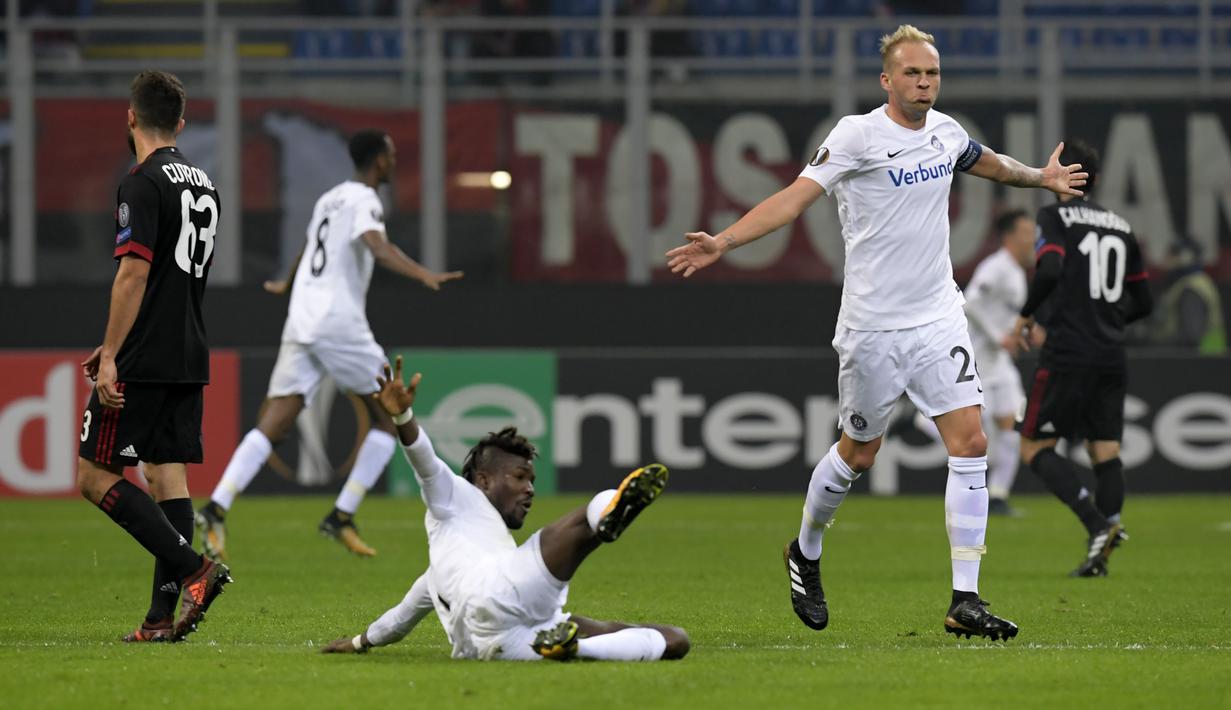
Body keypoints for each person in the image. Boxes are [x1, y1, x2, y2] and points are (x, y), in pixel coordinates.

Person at [666, 24, 1087, 641]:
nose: (924, 83)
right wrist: (724, 242)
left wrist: (1040, 179)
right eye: (913, 74)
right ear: (887, 80)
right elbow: (794, 198)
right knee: (859, 453)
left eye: (933, 74)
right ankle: (805, 550)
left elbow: (986, 162)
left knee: (970, 444)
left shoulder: (945, 132)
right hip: (872, 328)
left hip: (939, 315)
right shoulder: (856, 136)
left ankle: (965, 600)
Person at [194, 130, 462, 560]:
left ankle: (215, 508)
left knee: (277, 421)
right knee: (391, 416)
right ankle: (341, 515)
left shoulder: (329, 198)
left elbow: (307, 248)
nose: (394, 161)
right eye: (391, 154)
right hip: (338, 324)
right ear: (379, 161)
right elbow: (377, 245)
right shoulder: (366, 200)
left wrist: (286, 283)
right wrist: (422, 273)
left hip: (302, 318)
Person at [318, 357, 689, 661]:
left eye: (531, 480)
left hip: (503, 643)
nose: (529, 489)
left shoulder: (439, 573)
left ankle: (574, 647)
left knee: (674, 639)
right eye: (519, 477)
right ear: (483, 480)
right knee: (582, 520)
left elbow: (398, 621)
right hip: (497, 593)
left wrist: (357, 642)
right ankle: (606, 516)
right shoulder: (456, 497)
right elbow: (425, 461)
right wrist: (402, 417)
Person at [77, 70, 231, 643]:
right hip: (189, 348)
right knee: (167, 476)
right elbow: (171, 277)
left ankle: (196, 568)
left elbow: (135, 272)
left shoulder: (141, 182)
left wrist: (113, 353)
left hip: (144, 354)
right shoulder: (204, 183)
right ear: (182, 124)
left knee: (94, 476)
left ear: (130, 117)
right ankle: (159, 620)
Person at [1012, 139, 1153, 578]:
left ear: (1063, 171)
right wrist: (1106, 317)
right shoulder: (1121, 226)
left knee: (1034, 447)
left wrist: (1027, 314)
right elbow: (1144, 301)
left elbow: (1050, 269)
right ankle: (1101, 557)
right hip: (1110, 353)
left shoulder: (1054, 217)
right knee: (1105, 451)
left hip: (1069, 351)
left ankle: (1095, 526)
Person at [952, 209, 1036, 515]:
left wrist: (1025, 331)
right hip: (979, 363)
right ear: (1010, 236)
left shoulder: (1015, 272)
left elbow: (1005, 312)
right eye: (1027, 232)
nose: (1033, 239)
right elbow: (970, 302)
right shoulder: (996, 267)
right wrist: (998, 335)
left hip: (1000, 364)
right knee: (978, 435)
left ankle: (998, 495)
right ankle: (922, 423)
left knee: (1015, 425)